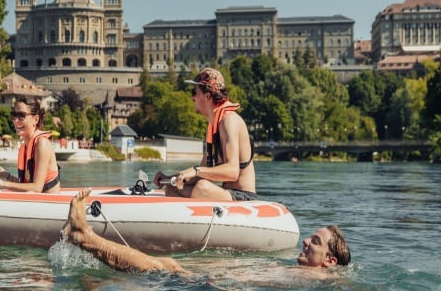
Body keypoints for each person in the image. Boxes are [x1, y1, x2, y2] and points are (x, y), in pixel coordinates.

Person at [63, 189, 352, 273]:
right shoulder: (303, 274)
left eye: (315, 241)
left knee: (165, 266)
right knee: (163, 267)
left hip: (217, 290)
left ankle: (84, 237)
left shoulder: (320, 282)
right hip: (221, 283)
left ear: (329, 261)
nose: (305, 241)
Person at [154, 68, 256, 201]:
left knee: (202, 187)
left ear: (207, 96)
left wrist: (196, 170)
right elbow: (203, 173)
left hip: (244, 197)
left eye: (194, 92)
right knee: (173, 188)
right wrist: (171, 178)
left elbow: (232, 172)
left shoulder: (229, 120)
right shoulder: (213, 126)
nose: (192, 98)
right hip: (226, 193)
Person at [0, 98, 61, 193]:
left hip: (49, 205)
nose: (16, 121)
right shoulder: (25, 147)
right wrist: (7, 176)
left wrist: (3, 184)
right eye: (14, 115)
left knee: (5, 190)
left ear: (35, 119)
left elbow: (37, 188)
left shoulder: (42, 144)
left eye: (21, 116)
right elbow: (25, 183)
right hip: (34, 203)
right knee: (5, 191)